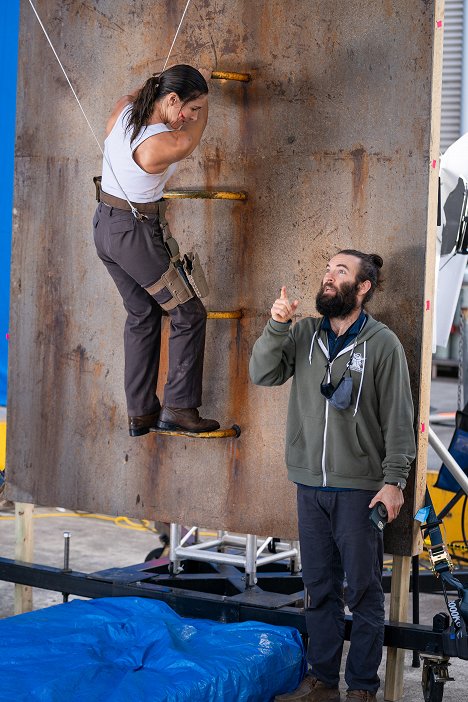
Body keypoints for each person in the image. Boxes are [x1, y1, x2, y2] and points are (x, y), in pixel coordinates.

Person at [249, 250, 416, 702]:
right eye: (327, 269)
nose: (328, 277)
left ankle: (361, 688)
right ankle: (322, 680)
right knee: (318, 590)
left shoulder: (383, 344)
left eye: (340, 272)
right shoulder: (303, 333)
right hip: (310, 486)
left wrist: (394, 481)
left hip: (360, 490)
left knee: (363, 594)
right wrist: (277, 325)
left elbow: (400, 420)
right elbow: (262, 373)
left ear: (362, 288)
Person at [93, 64, 220, 436]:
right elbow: (191, 138)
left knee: (142, 313)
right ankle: (179, 409)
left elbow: (136, 95)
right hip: (132, 233)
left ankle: (142, 413)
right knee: (188, 312)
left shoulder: (124, 110)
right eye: (189, 108)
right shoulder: (158, 145)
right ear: (173, 99)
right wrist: (207, 93)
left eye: (195, 111)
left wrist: (178, 87)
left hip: (104, 226)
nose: (189, 117)